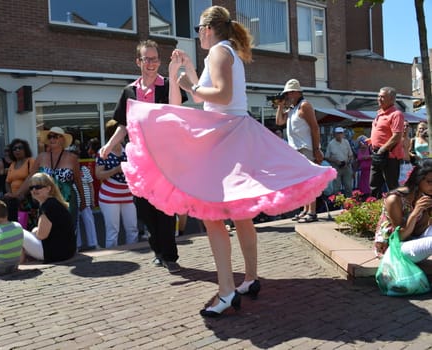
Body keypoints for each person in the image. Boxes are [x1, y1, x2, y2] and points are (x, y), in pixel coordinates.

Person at [123, 6, 335, 317]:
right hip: (233, 133)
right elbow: (204, 97)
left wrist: (188, 85)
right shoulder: (226, 52)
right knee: (239, 214)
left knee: (213, 215)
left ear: (209, 29)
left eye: (198, 28)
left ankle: (225, 292)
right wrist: (186, 73)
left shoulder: (220, 53)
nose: (197, 34)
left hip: (225, 135)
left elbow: (219, 96)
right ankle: (248, 279)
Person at [100, 39, 187, 271]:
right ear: (138, 61)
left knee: (165, 209)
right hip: (139, 161)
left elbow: (177, 110)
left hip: (164, 160)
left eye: (154, 59)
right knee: (145, 210)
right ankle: (157, 250)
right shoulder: (129, 91)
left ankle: (170, 256)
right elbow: (123, 125)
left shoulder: (167, 85)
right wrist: (109, 146)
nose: (151, 63)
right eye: (146, 59)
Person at [276, 79, 324, 223]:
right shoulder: (292, 108)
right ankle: (305, 210)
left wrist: (316, 149)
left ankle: (312, 212)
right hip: (296, 150)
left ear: (297, 92)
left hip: (306, 148)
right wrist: (280, 106)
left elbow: (315, 128)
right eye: (286, 93)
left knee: (309, 181)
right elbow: (279, 122)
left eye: (290, 92)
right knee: (302, 182)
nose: (287, 95)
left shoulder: (305, 106)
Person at [374, 159, 432, 263]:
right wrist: (415, 213)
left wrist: (426, 215)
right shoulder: (395, 199)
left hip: (412, 244)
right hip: (392, 248)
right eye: (429, 182)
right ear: (418, 179)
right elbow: (399, 236)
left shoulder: (423, 196)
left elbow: (418, 232)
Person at [27, 127, 84, 225]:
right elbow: (30, 178)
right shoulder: (41, 157)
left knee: (68, 230)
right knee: (47, 231)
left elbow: (78, 181)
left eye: (55, 136)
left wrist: (83, 200)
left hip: (67, 199)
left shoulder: (72, 158)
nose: (52, 139)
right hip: (46, 199)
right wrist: (17, 194)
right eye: (50, 137)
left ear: (62, 139)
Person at [96, 120, 139, 248]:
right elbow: (98, 175)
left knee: (132, 228)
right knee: (112, 231)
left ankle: (134, 255)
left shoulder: (128, 150)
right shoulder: (103, 152)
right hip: (109, 197)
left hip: (128, 195)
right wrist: (117, 169)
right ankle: (113, 261)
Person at [21, 173, 76, 263]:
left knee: (18, 231)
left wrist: (35, 232)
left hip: (55, 253)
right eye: (31, 188)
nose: (34, 190)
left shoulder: (48, 206)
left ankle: (19, 264)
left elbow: (41, 235)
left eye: (38, 186)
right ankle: (23, 262)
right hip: (66, 252)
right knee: (33, 230)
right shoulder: (53, 203)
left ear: (48, 188)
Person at [369, 86, 405, 198]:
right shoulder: (380, 113)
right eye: (378, 96)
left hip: (389, 155)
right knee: (374, 184)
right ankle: (373, 212)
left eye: (382, 97)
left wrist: (382, 148)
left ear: (392, 99)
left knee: (392, 186)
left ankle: (398, 212)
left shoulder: (396, 114)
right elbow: (383, 133)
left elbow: (397, 136)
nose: (379, 98)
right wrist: (371, 140)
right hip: (377, 153)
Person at [3, 138, 35, 225]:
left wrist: (20, 195)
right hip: (14, 202)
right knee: (14, 225)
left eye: (20, 148)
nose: (17, 150)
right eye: (14, 149)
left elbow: (32, 179)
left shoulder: (30, 161)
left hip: (26, 199)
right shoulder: (12, 164)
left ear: (25, 149)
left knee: (27, 225)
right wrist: (11, 195)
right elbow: (7, 182)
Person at [325, 127, 354, 197]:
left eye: (341, 133)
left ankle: (349, 204)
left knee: (349, 187)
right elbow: (326, 157)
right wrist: (335, 161)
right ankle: (337, 204)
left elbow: (351, 155)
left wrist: (348, 161)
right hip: (336, 168)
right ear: (335, 134)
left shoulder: (346, 142)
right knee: (336, 188)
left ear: (343, 134)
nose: (340, 135)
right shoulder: (331, 144)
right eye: (338, 133)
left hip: (346, 167)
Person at [399, 121, 413, 185]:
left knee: (410, 183)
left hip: (408, 163)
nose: (405, 127)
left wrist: (412, 154)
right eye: (403, 126)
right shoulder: (398, 139)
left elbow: (408, 151)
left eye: (407, 126)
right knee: (401, 184)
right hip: (400, 163)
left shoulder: (409, 139)